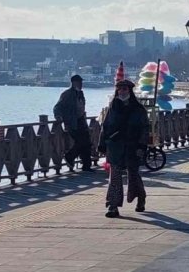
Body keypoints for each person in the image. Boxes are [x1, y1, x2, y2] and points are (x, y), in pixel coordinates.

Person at [97, 79, 150, 218]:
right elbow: (105, 126)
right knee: (114, 177)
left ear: (130, 91)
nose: (121, 92)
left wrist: (142, 145)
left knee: (133, 175)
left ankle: (141, 197)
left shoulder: (138, 109)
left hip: (132, 147)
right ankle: (113, 206)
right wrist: (101, 144)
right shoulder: (112, 107)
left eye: (124, 89)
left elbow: (145, 128)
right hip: (115, 147)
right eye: (119, 89)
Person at [53, 75, 93, 172]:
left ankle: (86, 166)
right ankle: (69, 156)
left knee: (87, 143)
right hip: (72, 122)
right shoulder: (67, 94)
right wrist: (58, 116)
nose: (81, 84)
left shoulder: (80, 93)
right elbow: (57, 107)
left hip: (81, 120)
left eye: (81, 82)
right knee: (81, 142)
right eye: (79, 82)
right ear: (73, 83)